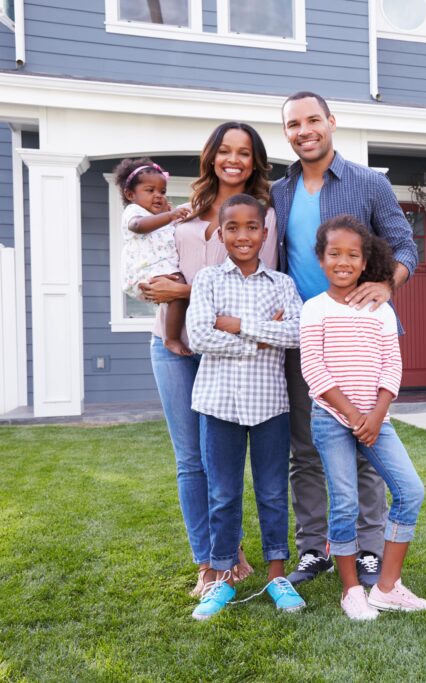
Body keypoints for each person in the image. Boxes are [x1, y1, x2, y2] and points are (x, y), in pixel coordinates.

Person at [271, 91, 418, 587]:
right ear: (286, 132)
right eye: (293, 124)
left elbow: (405, 246)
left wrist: (387, 283)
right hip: (307, 337)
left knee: (367, 446)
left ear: (331, 122)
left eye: (313, 119)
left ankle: (370, 549)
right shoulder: (278, 192)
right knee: (307, 449)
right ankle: (314, 549)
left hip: (363, 337)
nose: (304, 130)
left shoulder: (369, 183)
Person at [141, 122, 277, 596]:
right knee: (189, 460)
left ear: (255, 160)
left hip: (226, 353)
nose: (233, 159)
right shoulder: (182, 210)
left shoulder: (264, 217)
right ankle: (210, 559)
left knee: (224, 460)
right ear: (211, 156)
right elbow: (155, 268)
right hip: (172, 345)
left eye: (243, 152)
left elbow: (258, 291)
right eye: (224, 150)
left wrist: (182, 288)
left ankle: (229, 548)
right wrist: (155, 286)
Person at [301, 216, 426, 620]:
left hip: (378, 419)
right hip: (331, 418)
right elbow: (314, 370)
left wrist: (376, 416)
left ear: (364, 262)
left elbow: (392, 367)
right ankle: (351, 590)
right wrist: (355, 415)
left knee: (410, 492)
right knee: (344, 503)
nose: (343, 261)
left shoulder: (381, 310)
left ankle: (387, 588)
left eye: (352, 255)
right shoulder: (314, 309)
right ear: (321, 260)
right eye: (334, 253)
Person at [186, 194, 305, 620]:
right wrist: (261, 335)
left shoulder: (283, 285)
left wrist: (235, 325)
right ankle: (221, 577)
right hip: (218, 404)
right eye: (232, 228)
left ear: (264, 232)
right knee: (222, 493)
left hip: (270, 404)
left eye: (251, 227)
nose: (242, 235)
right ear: (221, 234)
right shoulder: (207, 281)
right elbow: (199, 336)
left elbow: (295, 334)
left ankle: (277, 575)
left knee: (273, 492)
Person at [114, 158, 191, 356]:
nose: (158, 196)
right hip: (146, 270)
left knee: (177, 292)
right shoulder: (134, 211)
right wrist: (170, 215)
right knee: (178, 291)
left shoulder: (160, 217)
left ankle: (173, 335)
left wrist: (170, 216)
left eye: (162, 191)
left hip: (161, 268)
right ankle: (171, 338)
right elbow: (138, 226)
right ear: (131, 194)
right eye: (150, 191)